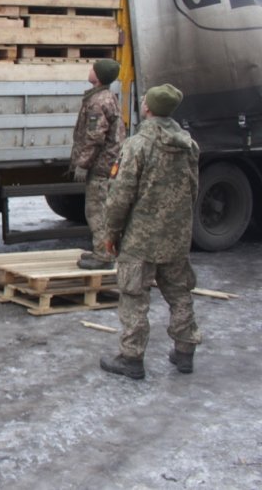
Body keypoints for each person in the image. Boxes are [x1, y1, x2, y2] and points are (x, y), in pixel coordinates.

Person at [99, 84, 202, 380]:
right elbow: (193, 188)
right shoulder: (188, 145)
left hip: (141, 237)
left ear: (148, 108)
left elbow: (120, 195)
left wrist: (111, 232)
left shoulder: (138, 145)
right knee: (179, 292)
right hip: (176, 236)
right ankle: (185, 351)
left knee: (134, 296)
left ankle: (131, 358)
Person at [69, 59, 126, 270]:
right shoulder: (106, 97)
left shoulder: (97, 102)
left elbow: (95, 137)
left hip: (100, 166)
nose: (89, 70)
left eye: (93, 68)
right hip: (106, 163)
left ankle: (103, 256)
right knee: (101, 209)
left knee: (96, 211)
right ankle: (103, 251)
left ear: (99, 75)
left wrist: (83, 164)